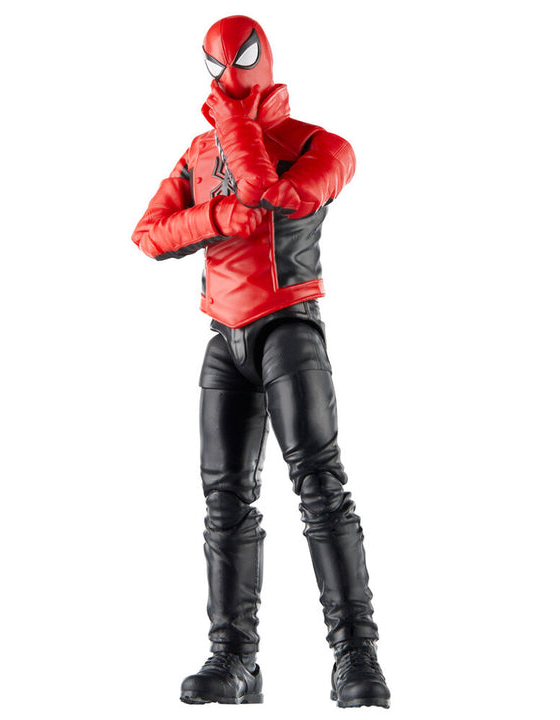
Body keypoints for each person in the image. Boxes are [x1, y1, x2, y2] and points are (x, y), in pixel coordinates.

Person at [132, 15, 390, 709]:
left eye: (240, 59)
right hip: (226, 337)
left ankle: (356, 654)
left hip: (289, 326)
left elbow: (279, 192)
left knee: (320, 486)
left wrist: (238, 135)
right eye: (216, 65)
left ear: (263, 57)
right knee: (224, 503)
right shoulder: (199, 152)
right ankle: (234, 658)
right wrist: (214, 217)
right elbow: (148, 234)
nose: (228, 75)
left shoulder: (316, 143)